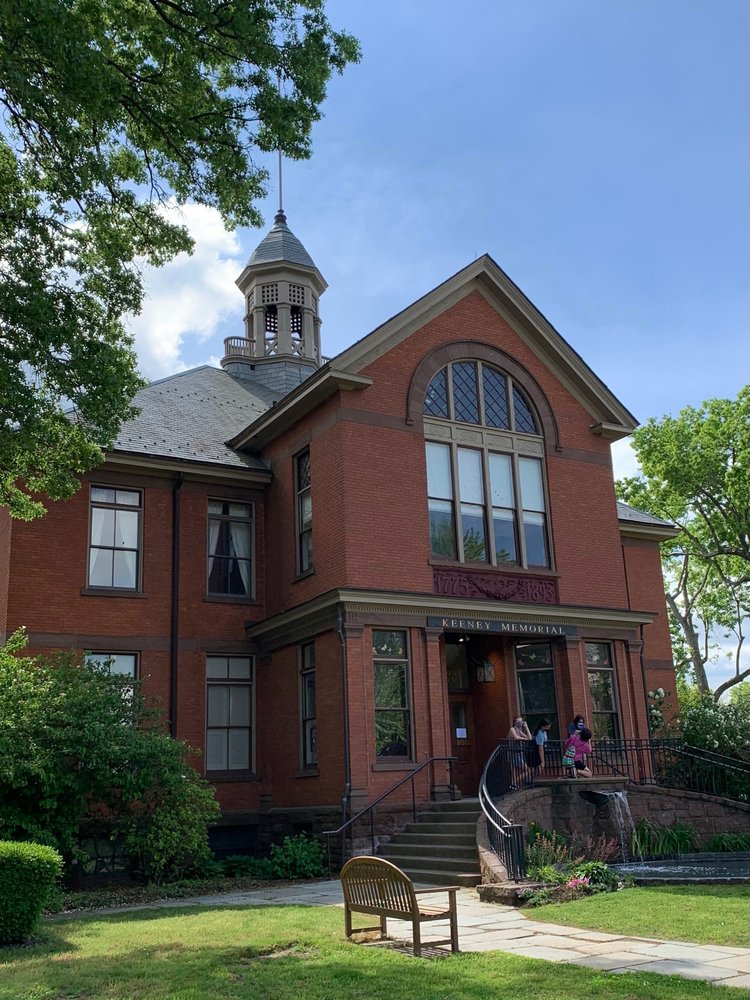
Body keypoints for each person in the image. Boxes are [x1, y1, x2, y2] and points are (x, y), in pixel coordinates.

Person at [507, 716, 532, 786]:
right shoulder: (512, 729)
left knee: (514, 771)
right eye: (518, 722)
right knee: (527, 770)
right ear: (514, 723)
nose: (520, 724)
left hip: (518, 752)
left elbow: (530, 738)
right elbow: (516, 737)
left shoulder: (519, 731)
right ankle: (514, 782)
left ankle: (514, 783)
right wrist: (524, 739)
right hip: (513, 753)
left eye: (521, 722)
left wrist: (526, 727)